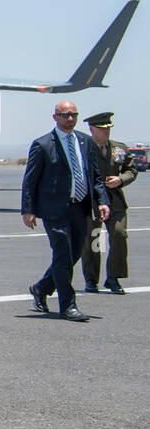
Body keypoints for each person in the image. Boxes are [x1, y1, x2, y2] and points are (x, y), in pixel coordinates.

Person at [22, 101, 110, 322]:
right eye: (65, 115)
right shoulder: (42, 145)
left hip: (80, 207)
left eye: (73, 115)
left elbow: (95, 177)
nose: (70, 119)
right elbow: (30, 180)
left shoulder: (86, 142)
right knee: (62, 254)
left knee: (74, 254)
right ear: (55, 117)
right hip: (54, 209)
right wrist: (28, 209)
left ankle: (41, 288)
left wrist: (102, 201)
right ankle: (68, 305)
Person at [80, 111, 135, 294]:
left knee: (119, 235)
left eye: (108, 129)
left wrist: (121, 180)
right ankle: (91, 279)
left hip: (115, 201)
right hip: (92, 202)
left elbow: (131, 170)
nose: (106, 132)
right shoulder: (83, 148)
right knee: (94, 240)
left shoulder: (119, 148)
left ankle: (114, 277)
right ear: (92, 129)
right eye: (102, 129)